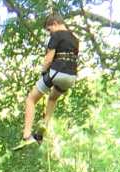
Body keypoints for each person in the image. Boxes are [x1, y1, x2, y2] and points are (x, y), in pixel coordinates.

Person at [14, 12, 79, 150]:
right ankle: (44, 123)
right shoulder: (74, 39)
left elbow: (50, 58)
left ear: (55, 24)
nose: (50, 33)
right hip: (71, 77)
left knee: (31, 100)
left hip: (57, 72)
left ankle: (26, 136)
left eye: (49, 29)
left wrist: (43, 70)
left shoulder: (56, 35)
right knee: (53, 98)